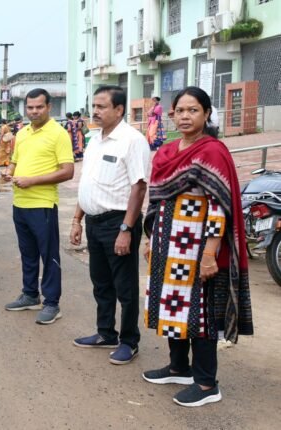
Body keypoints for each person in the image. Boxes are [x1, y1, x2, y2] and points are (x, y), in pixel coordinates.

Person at [141, 86, 253, 407]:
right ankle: (179, 367)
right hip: (167, 246)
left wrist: (209, 254)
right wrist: (151, 239)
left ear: (206, 114)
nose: (185, 116)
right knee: (172, 305)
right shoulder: (166, 151)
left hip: (197, 248)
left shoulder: (212, 151)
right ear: (172, 114)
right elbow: (157, 202)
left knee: (200, 314)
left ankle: (206, 384)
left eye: (193, 110)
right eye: (180, 110)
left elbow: (219, 207)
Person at [69, 85, 151, 365]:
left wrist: (126, 230)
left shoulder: (132, 140)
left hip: (118, 223)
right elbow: (87, 184)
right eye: (94, 106)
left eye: (101, 106)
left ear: (119, 110)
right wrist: (77, 220)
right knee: (101, 283)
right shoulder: (94, 140)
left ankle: (129, 341)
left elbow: (139, 187)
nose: (95, 111)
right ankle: (106, 333)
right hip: (94, 223)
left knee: (125, 287)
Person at [1, 88, 74, 324]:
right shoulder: (22, 133)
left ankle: (52, 303)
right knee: (28, 253)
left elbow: (68, 171)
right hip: (20, 203)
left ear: (49, 107)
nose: (34, 111)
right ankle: (30, 294)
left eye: (39, 107)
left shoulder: (58, 133)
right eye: (30, 107)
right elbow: (15, 161)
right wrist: (9, 171)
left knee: (48, 255)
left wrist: (31, 181)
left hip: (43, 204)